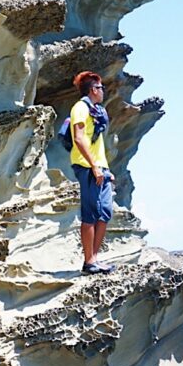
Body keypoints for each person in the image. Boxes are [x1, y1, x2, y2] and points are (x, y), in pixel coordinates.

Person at [70, 71, 115, 275]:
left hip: (100, 167)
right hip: (87, 166)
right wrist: (94, 166)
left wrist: (105, 169)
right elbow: (79, 138)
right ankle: (89, 262)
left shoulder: (96, 110)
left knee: (105, 212)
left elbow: (97, 143)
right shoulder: (80, 108)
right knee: (90, 213)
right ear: (93, 90)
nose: (103, 91)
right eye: (100, 87)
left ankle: (94, 259)